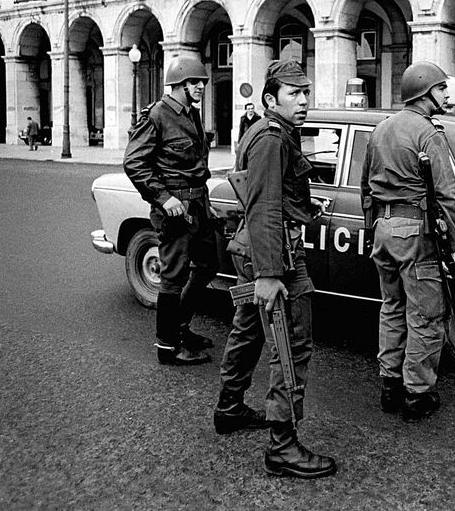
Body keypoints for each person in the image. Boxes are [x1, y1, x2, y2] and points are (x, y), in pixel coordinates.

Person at [215, 59, 336, 479]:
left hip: (254, 246)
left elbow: (270, 194)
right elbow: (264, 204)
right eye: (294, 94)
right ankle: (282, 446)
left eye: (306, 92)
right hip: (274, 256)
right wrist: (270, 274)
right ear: (271, 99)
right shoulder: (271, 137)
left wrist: (302, 208)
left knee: (248, 332)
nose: (304, 101)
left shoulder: (269, 131)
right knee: (290, 345)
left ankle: (229, 408)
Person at [360, 61, 455, 422]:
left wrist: (373, 225)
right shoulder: (428, 133)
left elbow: (365, 185)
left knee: (391, 307)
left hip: (383, 231)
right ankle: (417, 394)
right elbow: (446, 196)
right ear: (424, 93)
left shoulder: (381, 128)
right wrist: (454, 244)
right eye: (441, 89)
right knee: (425, 316)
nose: (446, 95)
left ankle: (389, 385)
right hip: (414, 231)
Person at [123, 55, 217, 366]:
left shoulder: (192, 114)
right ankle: (168, 347)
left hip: (197, 202)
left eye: (201, 82)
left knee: (208, 265)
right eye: (193, 83)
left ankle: (180, 328)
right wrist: (163, 198)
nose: (200, 87)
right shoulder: (157, 115)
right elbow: (134, 163)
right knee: (173, 276)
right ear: (177, 85)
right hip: (174, 207)